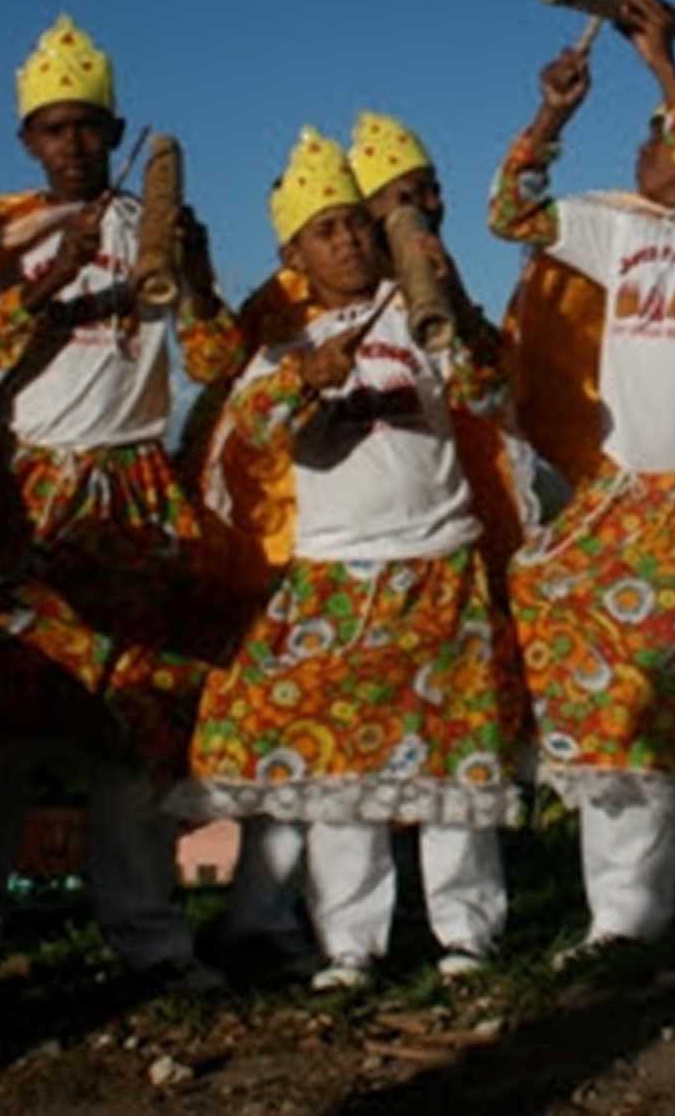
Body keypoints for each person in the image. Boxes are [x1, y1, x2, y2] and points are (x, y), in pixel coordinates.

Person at [0, 13, 242, 1014]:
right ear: (27, 141)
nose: (72, 146)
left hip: (134, 492)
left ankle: (150, 938)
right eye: (53, 129)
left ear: (115, 130)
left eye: (88, 128)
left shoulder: (157, 219)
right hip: (32, 497)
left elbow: (215, 361)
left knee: (132, 732)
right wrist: (49, 284)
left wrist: (186, 270)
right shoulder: (3, 231)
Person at [175, 128, 521, 990]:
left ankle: (468, 935)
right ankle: (351, 945)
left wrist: (460, 311)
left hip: (438, 559)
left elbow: (488, 391)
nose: (350, 241)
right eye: (326, 230)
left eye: (356, 225)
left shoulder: (417, 314)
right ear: (293, 251)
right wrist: (305, 379)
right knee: (343, 774)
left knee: (452, 766)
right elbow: (250, 435)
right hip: (334, 576)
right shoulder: (281, 347)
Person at [488, 0, 675, 962]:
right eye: (651, 132)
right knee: (612, 699)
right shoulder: (618, 228)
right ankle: (624, 916)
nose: (648, 147)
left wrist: (663, 68)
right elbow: (510, 212)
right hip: (627, 500)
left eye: (669, 135)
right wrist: (553, 114)